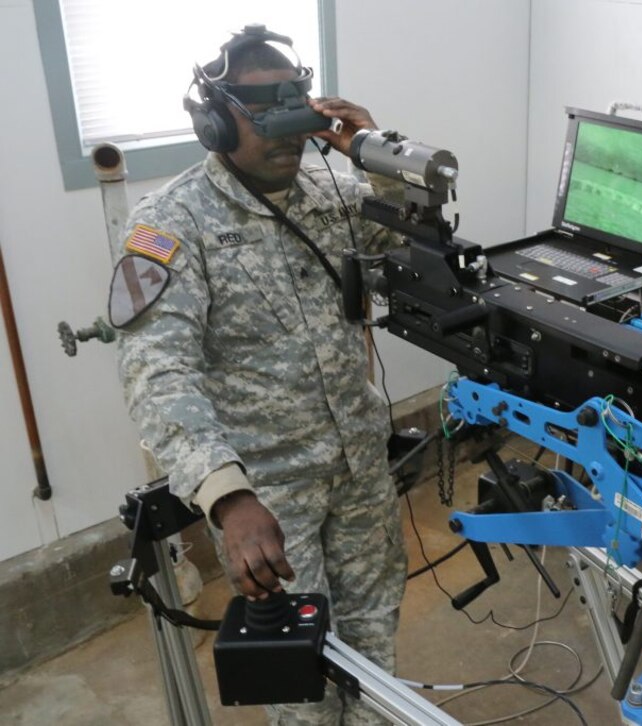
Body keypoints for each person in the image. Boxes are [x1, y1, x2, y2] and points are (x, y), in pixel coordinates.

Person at [112, 27, 406, 725]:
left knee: (374, 660)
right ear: (213, 121)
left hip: (358, 467)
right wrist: (229, 498)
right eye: (262, 117)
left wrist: (381, 158)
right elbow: (158, 372)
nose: (288, 138)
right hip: (269, 497)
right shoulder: (169, 222)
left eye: (295, 113)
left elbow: (405, 242)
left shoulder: (328, 187)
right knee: (299, 686)